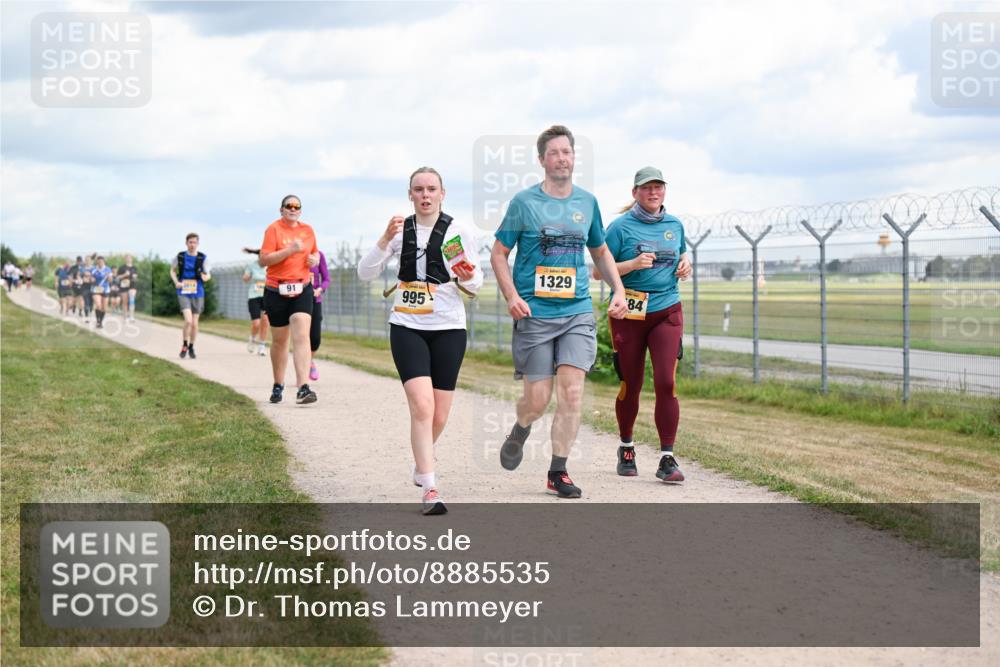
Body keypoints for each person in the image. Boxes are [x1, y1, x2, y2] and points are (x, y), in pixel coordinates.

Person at [491, 125, 627, 499]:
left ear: (574, 157)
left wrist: (618, 288)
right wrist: (511, 296)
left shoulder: (587, 202)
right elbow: (499, 254)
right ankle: (521, 427)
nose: (562, 158)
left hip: (576, 312)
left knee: (572, 393)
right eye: (554, 153)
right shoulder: (524, 203)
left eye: (567, 151)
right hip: (534, 314)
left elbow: (600, 251)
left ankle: (558, 471)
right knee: (537, 400)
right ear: (542, 160)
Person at [358, 167, 483, 515]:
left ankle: (420, 462)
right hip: (407, 325)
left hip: (448, 328)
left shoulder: (459, 232)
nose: (425, 195)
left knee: (439, 414)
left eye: (431, 189)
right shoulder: (399, 231)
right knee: (422, 407)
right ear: (410, 194)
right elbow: (365, 273)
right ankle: (430, 487)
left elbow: (475, 284)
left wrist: (466, 276)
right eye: (418, 189)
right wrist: (383, 239)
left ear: (442, 193)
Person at [595, 167, 692, 482]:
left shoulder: (674, 225)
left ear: (664, 191)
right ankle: (626, 447)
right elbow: (598, 272)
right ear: (635, 192)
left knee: (666, 382)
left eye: (658, 187)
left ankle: (667, 458)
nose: (653, 192)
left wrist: (685, 264)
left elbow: (681, 256)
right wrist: (633, 264)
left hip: (667, 310)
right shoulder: (619, 228)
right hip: (630, 312)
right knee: (631, 384)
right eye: (647, 188)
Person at [259, 195, 319, 405]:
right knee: (280, 340)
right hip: (276, 290)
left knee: (301, 334)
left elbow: (315, 253)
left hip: (302, 287)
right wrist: (290, 250)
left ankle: (303, 387)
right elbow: (263, 260)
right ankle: (278, 384)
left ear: (300, 210)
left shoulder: (308, 230)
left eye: (296, 206)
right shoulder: (274, 229)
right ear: (281, 210)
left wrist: (314, 259)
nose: (293, 209)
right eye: (289, 206)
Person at [170, 233, 211, 359]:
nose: (192, 245)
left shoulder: (203, 258)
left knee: (194, 323)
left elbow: (208, 273)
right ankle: (184, 344)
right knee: (188, 320)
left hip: (197, 291)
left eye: (194, 242)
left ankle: (191, 346)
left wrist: (206, 277)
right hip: (183, 291)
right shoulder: (180, 256)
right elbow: (172, 270)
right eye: (190, 242)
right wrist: (176, 282)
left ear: (198, 243)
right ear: (186, 243)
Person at [242, 248, 270, 356]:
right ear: (259, 256)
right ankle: (252, 338)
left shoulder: (270, 266)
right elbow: (245, 278)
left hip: (267, 296)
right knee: (256, 323)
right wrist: (246, 277)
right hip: (254, 296)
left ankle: (262, 346)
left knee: (266, 321)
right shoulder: (252, 265)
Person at [308, 249, 330, 381]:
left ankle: (309, 361)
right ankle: (305, 367)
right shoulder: (296, 253)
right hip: (298, 300)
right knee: (302, 336)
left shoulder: (319, 255)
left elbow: (326, 279)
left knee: (315, 338)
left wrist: (320, 289)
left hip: (315, 300)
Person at [90, 256, 113, 329]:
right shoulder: (94, 269)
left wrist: (108, 277)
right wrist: (92, 279)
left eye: (101, 262)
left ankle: (100, 322)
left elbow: (110, 280)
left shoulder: (108, 269)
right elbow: (91, 278)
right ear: (97, 262)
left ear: (104, 262)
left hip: (105, 289)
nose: (100, 263)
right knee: (98, 305)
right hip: (96, 289)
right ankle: (98, 321)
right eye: (99, 262)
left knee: (104, 308)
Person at [117, 255, 138, 322]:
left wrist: (135, 277)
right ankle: (125, 317)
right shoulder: (122, 267)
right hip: (124, 285)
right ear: (125, 259)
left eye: (130, 258)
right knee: (125, 302)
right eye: (127, 258)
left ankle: (131, 316)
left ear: (132, 259)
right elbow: (118, 277)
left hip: (132, 285)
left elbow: (135, 278)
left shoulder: (134, 268)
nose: (128, 259)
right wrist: (124, 275)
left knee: (132, 300)